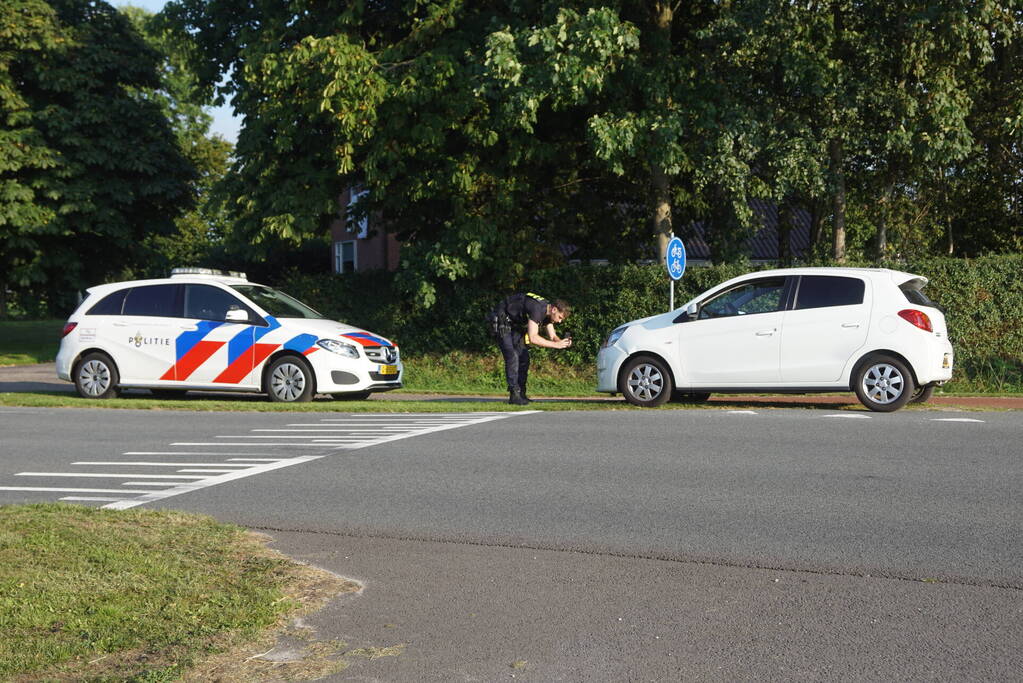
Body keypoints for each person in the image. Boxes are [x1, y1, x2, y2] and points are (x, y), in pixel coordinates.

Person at [488, 292, 572, 405]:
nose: (559, 321)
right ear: (554, 310)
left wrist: (562, 342)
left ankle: (521, 394)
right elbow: (533, 338)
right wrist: (556, 345)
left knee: (524, 358)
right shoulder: (537, 309)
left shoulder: (547, 311)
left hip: (514, 325)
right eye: (560, 317)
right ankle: (514, 395)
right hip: (502, 319)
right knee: (512, 356)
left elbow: (552, 336)